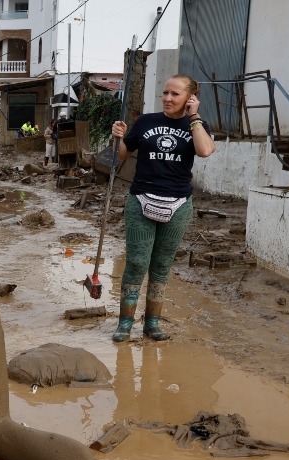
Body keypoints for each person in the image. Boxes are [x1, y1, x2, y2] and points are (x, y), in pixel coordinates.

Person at [109, 74, 216, 342]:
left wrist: (194, 118)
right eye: (165, 93)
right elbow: (122, 155)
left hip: (178, 204)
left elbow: (204, 151)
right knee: (136, 262)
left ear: (190, 98)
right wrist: (118, 137)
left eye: (175, 94)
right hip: (141, 199)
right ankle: (125, 323)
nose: (168, 98)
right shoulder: (146, 122)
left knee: (161, 265)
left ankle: (152, 323)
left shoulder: (198, 126)